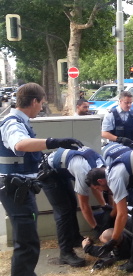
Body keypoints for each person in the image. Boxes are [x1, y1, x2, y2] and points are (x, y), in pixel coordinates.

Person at [0, 83, 83, 276]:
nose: (42, 107)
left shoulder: (18, 121)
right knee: (27, 243)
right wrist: (53, 142)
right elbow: (20, 144)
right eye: (42, 103)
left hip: (19, 188)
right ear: (34, 100)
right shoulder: (13, 123)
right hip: (16, 189)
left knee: (28, 240)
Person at [40, 147, 107, 267]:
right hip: (48, 172)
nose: (100, 189)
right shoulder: (83, 172)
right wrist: (95, 227)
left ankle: (75, 238)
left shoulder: (102, 166)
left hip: (61, 170)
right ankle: (65, 253)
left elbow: (97, 187)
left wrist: (105, 206)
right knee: (63, 211)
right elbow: (84, 205)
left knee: (71, 204)